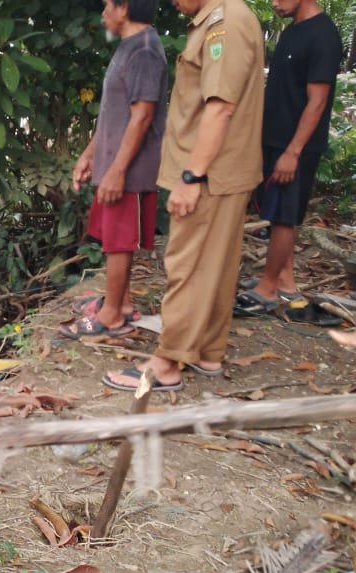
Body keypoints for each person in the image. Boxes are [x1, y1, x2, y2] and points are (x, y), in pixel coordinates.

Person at [103, 0, 265, 392]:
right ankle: (207, 352)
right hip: (223, 171)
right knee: (215, 266)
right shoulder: (224, 18)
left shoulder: (225, 23)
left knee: (187, 265)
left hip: (209, 172)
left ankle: (166, 363)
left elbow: (220, 108)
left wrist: (192, 176)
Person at [64, 0, 168, 339]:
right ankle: (119, 302)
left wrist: (118, 170)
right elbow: (115, 113)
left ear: (124, 7)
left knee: (120, 241)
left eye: (108, 4)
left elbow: (142, 117)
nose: (103, 12)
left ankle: (111, 317)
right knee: (112, 236)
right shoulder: (130, 47)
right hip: (115, 163)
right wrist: (90, 156)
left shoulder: (145, 51)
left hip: (131, 169)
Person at [235, 0, 344, 315]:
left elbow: (317, 101)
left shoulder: (323, 35)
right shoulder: (292, 31)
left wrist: (293, 151)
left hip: (295, 146)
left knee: (285, 216)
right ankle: (284, 279)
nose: (273, 2)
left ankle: (267, 289)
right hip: (275, 139)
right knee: (277, 211)